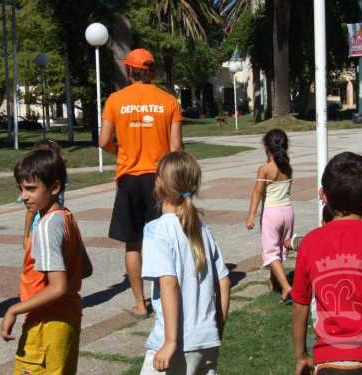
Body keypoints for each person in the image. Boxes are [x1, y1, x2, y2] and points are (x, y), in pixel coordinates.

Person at [292, 152, 362, 375]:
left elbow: (299, 304)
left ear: (323, 194)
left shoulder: (310, 242)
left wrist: (301, 355)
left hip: (329, 361)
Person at [99, 48, 183, 318]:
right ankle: (165, 299)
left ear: (128, 70)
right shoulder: (168, 101)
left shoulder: (115, 100)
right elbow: (176, 148)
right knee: (164, 241)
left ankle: (139, 303)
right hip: (160, 179)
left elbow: (103, 141)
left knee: (132, 243)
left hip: (128, 178)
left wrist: (121, 152)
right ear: (152, 71)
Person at [1, 149, 92, 375]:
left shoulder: (45, 227)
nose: (23, 196)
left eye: (31, 189)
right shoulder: (67, 217)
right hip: (68, 321)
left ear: (54, 188)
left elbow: (58, 286)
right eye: (21, 189)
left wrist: (14, 309)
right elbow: (86, 268)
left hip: (46, 324)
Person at [140, 151, 231, 374]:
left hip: (177, 343)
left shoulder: (157, 230)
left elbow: (168, 282)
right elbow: (225, 281)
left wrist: (170, 341)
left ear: (159, 183)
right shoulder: (202, 230)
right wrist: (217, 327)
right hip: (206, 340)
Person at [246, 128, 294, 303]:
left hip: (272, 213)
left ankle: (286, 287)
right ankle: (274, 282)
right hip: (288, 211)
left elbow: (257, 193)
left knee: (271, 252)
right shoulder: (288, 167)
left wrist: (251, 215)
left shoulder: (265, 169)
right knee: (280, 249)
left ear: (267, 147)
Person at [22, 139, 66, 250]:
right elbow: (30, 212)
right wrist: (26, 236)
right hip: (42, 227)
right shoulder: (37, 183)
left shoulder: (56, 179)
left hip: (49, 225)